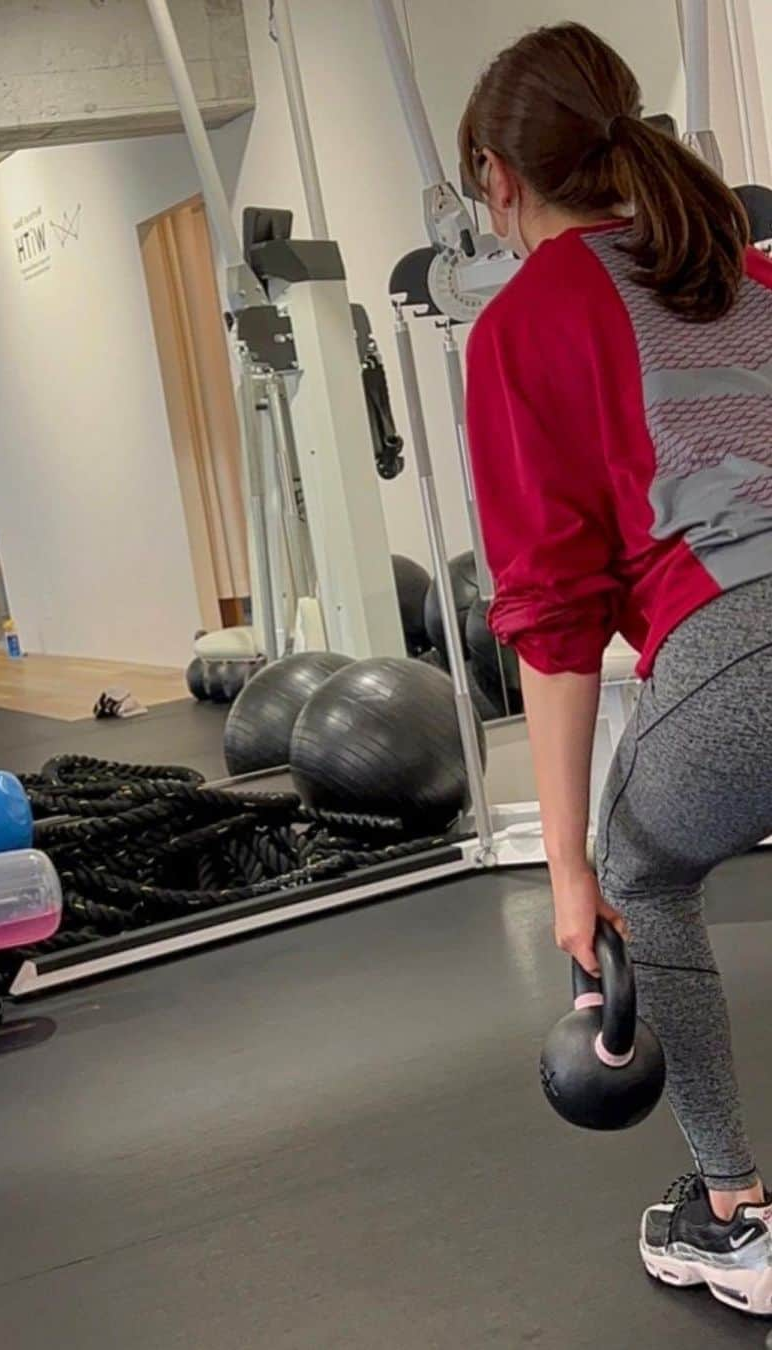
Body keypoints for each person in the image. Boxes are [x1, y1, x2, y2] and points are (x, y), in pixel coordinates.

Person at [459, 22, 772, 1315]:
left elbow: (554, 623)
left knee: (648, 874)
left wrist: (574, 870)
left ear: (497, 179)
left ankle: (733, 1215)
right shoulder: (745, 274)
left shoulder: (521, 327)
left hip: (743, 641)